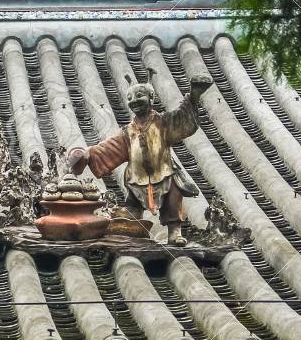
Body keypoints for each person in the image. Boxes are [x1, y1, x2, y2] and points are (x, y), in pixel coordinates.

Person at [67, 75, 211, 245]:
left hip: (165, 172)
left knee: (173, 200)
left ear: (151, 98)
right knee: (131, 207)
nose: (134, 101)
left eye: (139, 96)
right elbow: (109, 148)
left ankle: (174, 233)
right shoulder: (127, 132)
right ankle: (131, 229)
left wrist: (194, 95)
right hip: (137, 177)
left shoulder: (164, 122)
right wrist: (88, 154)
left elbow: (182, 118)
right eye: (130, 98)